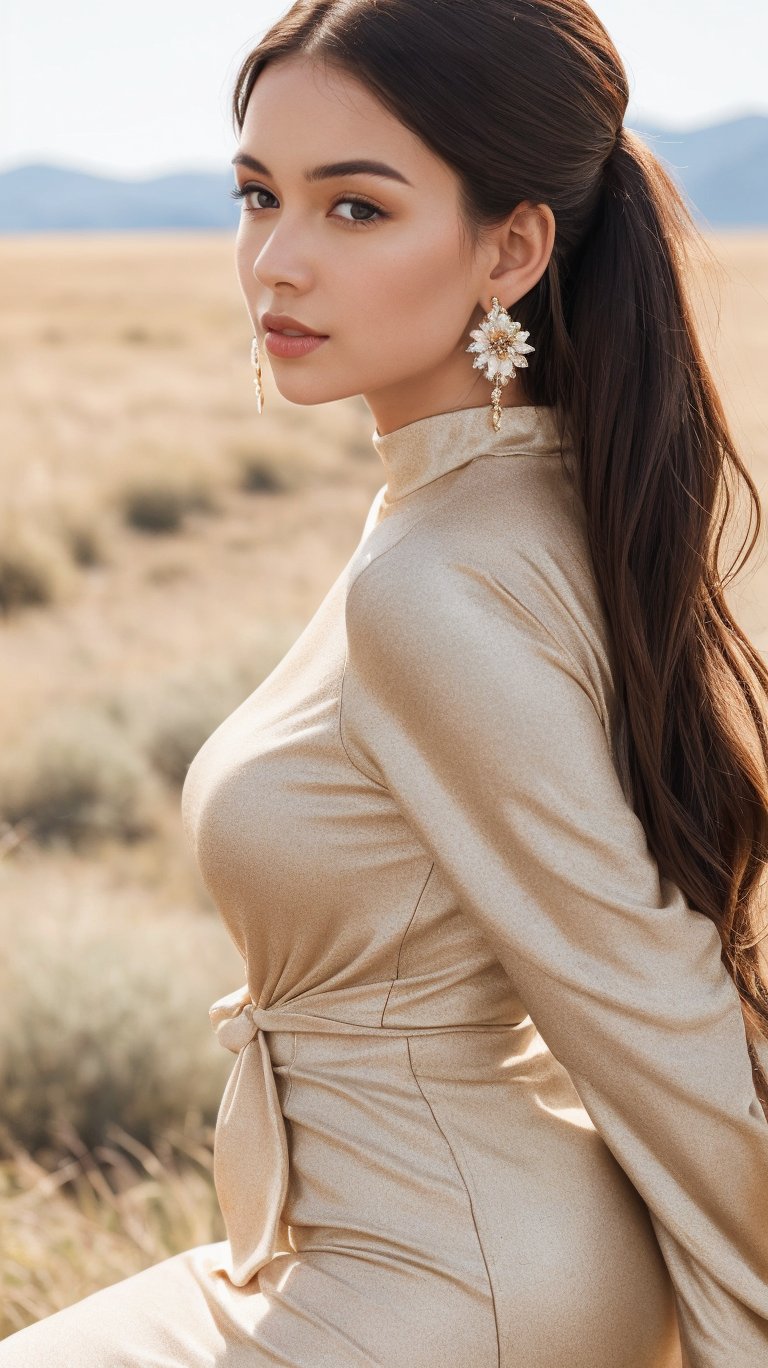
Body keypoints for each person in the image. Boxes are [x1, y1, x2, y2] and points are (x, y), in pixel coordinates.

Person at [3, 1, 768, 1364]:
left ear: (511, 247)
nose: (276, 264)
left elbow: (651, 1001)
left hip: (447, 1287)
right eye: (257, 197)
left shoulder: (432, 586)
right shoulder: (506, 506)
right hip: (401, 1247)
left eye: (355, 210)